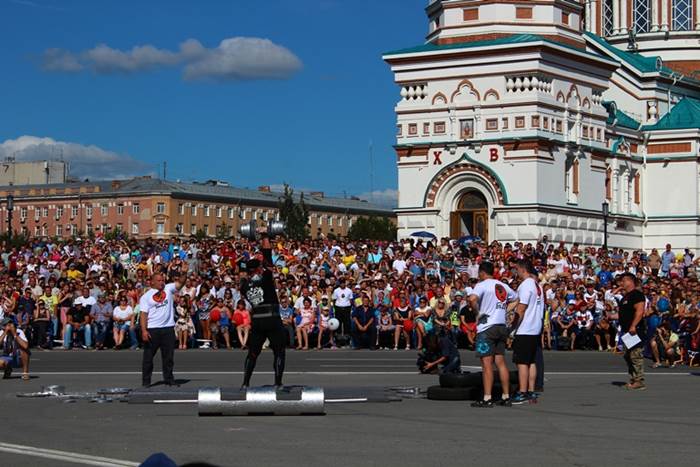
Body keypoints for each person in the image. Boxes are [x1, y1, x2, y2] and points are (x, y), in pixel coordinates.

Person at [240, 234, 287, 389]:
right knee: (279, 351)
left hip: (258, 320)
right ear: (259, 269)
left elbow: (246, 275)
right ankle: (278, 383)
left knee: (253, 353)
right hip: (272, 317)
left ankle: (245, 383)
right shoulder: (265, 277)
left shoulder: (244, 286)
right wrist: (265, 236)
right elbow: (267, 254)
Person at [468, 261, 516, 408]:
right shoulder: (502, 285)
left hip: (487, 328)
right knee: (500, 362)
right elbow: (516, 299)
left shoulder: (482, 285)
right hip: (501, 326)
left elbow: (471, 299)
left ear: (482, 272)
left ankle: (487, 397)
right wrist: (504, 311)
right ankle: (506, 396)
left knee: (486, 364)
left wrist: (478, 312)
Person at [140, 272, 184, 387]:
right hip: (152, 330)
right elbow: (143, 315)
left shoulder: (168, 288)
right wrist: (144, 331)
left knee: (168, 357)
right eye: (159, 281)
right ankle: (146, 381)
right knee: (148, 357)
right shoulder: (146, 297)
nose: (161, 282)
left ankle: (169, 379)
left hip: (168, 329)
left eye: (162, 280)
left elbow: (181, 283)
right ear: (152, 282)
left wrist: (183, 272)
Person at [510, 260, 544, 405]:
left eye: (516, 269)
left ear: (522, 269)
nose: (515, 273)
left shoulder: (526, 285)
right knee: (531, 362)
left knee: (522, 362)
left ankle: (522, 392)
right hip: (535, 328)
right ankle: (530, 391)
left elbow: (521, 309)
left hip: (525, 329)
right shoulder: (537, 285)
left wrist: (512, 328)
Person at [617, 272, 647, 391]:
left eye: (623, 280)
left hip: (635, 330)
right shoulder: (626, 296)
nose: (621, 283)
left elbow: (639, 311)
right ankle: (634, 378)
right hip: (626, 331)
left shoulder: (637, 295)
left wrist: (633, 326)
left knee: (635, 355)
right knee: (628, 355)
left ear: (630, 281)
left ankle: (639, 380)